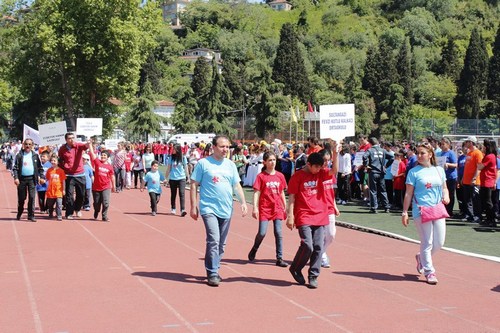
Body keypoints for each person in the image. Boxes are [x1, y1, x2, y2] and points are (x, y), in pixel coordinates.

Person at [190, 135, 248, 287]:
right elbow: (194, 184)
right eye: (222, 146)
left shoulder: (230, 165)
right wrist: (193, 205)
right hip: (208, 208)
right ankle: (212, 272)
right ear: (214, 147)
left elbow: (236, 186)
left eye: (227, 147)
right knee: (214, 240)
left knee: (221, 244)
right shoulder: (203, 164)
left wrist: (243, 202)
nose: (225, 149)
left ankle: (215, 266)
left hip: (226, 208)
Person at [286, 152, 336, 289]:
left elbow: (334, 171)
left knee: (319, 246)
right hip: (304, 214)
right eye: (316, 167)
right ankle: (295, 268)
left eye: (320, 167)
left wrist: (335, 153)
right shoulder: (298, 176)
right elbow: (291, 197)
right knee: (308, 245)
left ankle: (313, 275)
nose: (318, 170)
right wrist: (290, 215)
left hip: (320, 215)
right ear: (309, 164)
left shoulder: (321, 173)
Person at [402, 143, 449, 285]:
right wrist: (405, 212)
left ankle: (421, 257)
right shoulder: (413, 172)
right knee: (427, 242)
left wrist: (446, 196)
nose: (419, 156)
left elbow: (444, 188)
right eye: (418, 153)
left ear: (430, 155)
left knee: (439, 242)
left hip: (438, 209)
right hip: (421, 210)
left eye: (422, 153)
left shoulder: (439, 170)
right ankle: (429, 271)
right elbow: (408, 193)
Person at [248, 151, 288, 267]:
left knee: (278, 232)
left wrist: (285, 207)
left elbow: (281, 193)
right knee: (262, 232)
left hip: (277, 208)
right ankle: (255, 248)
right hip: (265, 208)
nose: (272, 162)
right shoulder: (261, 176)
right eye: (270, 160)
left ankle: (279, 258)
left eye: (274, 160)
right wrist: (255, 208)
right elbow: (256, 192)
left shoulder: (280, 176)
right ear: (264, 162)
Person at [12, 138, 46, 222]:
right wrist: (16, 178)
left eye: (29, 144)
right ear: (23, 145)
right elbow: (15, 168)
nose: (28, 146)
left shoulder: (35, 155)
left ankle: (31, 215)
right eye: (26, 144)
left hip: (32, 179)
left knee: (32, 197)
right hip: (22, 179)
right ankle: (20, 212)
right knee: (22, 198)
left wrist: (42, 177)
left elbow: (40, 168)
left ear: (32, 145)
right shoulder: (19, 155)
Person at [58, 132, 90, 219]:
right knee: (69, 195)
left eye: (73, 138)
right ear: (66, 140)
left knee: (81, 194)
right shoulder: (62, 149)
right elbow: (60, 160)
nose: (72, 140)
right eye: (69, 138)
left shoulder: (78, 146)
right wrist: (63, 167)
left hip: (80, 174)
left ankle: (77, 208)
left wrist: (88, 143)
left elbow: (85, 146)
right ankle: (69, 213)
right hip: (69, 175)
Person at [318, 148, 340, 269]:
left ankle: (320, 252)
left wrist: (335, 206)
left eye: (328, 160)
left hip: (329, 208)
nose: (326, 163)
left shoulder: (330, 174)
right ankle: (321, 255)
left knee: (331, 235)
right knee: (320, 235)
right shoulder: (317, 173)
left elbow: (331, 192)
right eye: (324, 160)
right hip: (318, 209)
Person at [363, 137, 392, 213]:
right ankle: (386, 207)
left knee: (373, 190)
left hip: (373, 172)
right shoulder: (383, 150)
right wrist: (386, 166)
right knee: (383, 190)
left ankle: (374, 208)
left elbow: (364, 156)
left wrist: (366, 165)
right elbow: (392, 157)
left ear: (370, 143)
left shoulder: (370, 150)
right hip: (381, 172)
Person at [88, 141, 116, 222]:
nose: (103, 156)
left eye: (105, 156)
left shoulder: (110, 167)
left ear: (107, 157)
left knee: (106, 202)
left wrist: (113, 186)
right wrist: (90, 145)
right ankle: (96, 211)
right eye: (102, 155)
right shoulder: (97, 162)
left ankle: (104, 216)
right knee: (97, 203)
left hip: (106, 187)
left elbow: (112, 176)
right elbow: (92, 154)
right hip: (96, 187)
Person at [461, 136, 483, 223]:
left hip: (474, 182)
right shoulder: (469, 153)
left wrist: (474, 178)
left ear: (471, 142)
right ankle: (469, 215)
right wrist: (463, 178)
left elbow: (479, 167)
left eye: (467, 141)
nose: (465, 143)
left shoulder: (478, 153)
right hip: (466, 181)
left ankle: (477, 216)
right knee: (467, 199)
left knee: (475, 199)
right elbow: (466, 167)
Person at [477, 139, 498, 227]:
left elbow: (480, 166)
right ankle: (489, 219)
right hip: (486, 181)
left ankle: (491, 220)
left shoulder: (490, 156)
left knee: (488, 202)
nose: (483, 148)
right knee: (486, 201)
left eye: (484, 146)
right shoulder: (490, 156)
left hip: (488, 181)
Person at [165, 143, 190, 216]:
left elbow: (186, 168)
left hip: (181, 178)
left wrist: (188, 177)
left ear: (178, 150)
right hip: (173, 178)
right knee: (173, 194)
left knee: (182, 193)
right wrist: (166, 178)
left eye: (174, 149)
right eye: (172, 149)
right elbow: (169, 168)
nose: (172, 150)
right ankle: (173, 208)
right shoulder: (171, 158)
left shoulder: (183, 158)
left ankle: (182, 209)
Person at [439, 137, 457, 217]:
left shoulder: (451, 153)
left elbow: (455, 164)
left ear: (448, 144)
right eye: (441, 144)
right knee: (443, 194)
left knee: (450, 194)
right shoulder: (441, 153)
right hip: (443, 177)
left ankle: (449, 211)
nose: (442, 146)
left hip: (451, 177)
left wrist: (448, 164)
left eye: (443, 144)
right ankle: (444, 210)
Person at [45, 154, 66, 221]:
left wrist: (64, 189)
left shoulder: (61, 171)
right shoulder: (49, 170)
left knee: (59, 204)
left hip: (58, 190)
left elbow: (63, 181)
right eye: (52, 161)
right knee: (50, 204)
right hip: (51, 190)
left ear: (57, 162)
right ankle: (50, 212)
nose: (53, 162)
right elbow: (46, 179)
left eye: (54, 161)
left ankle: (59, 215)